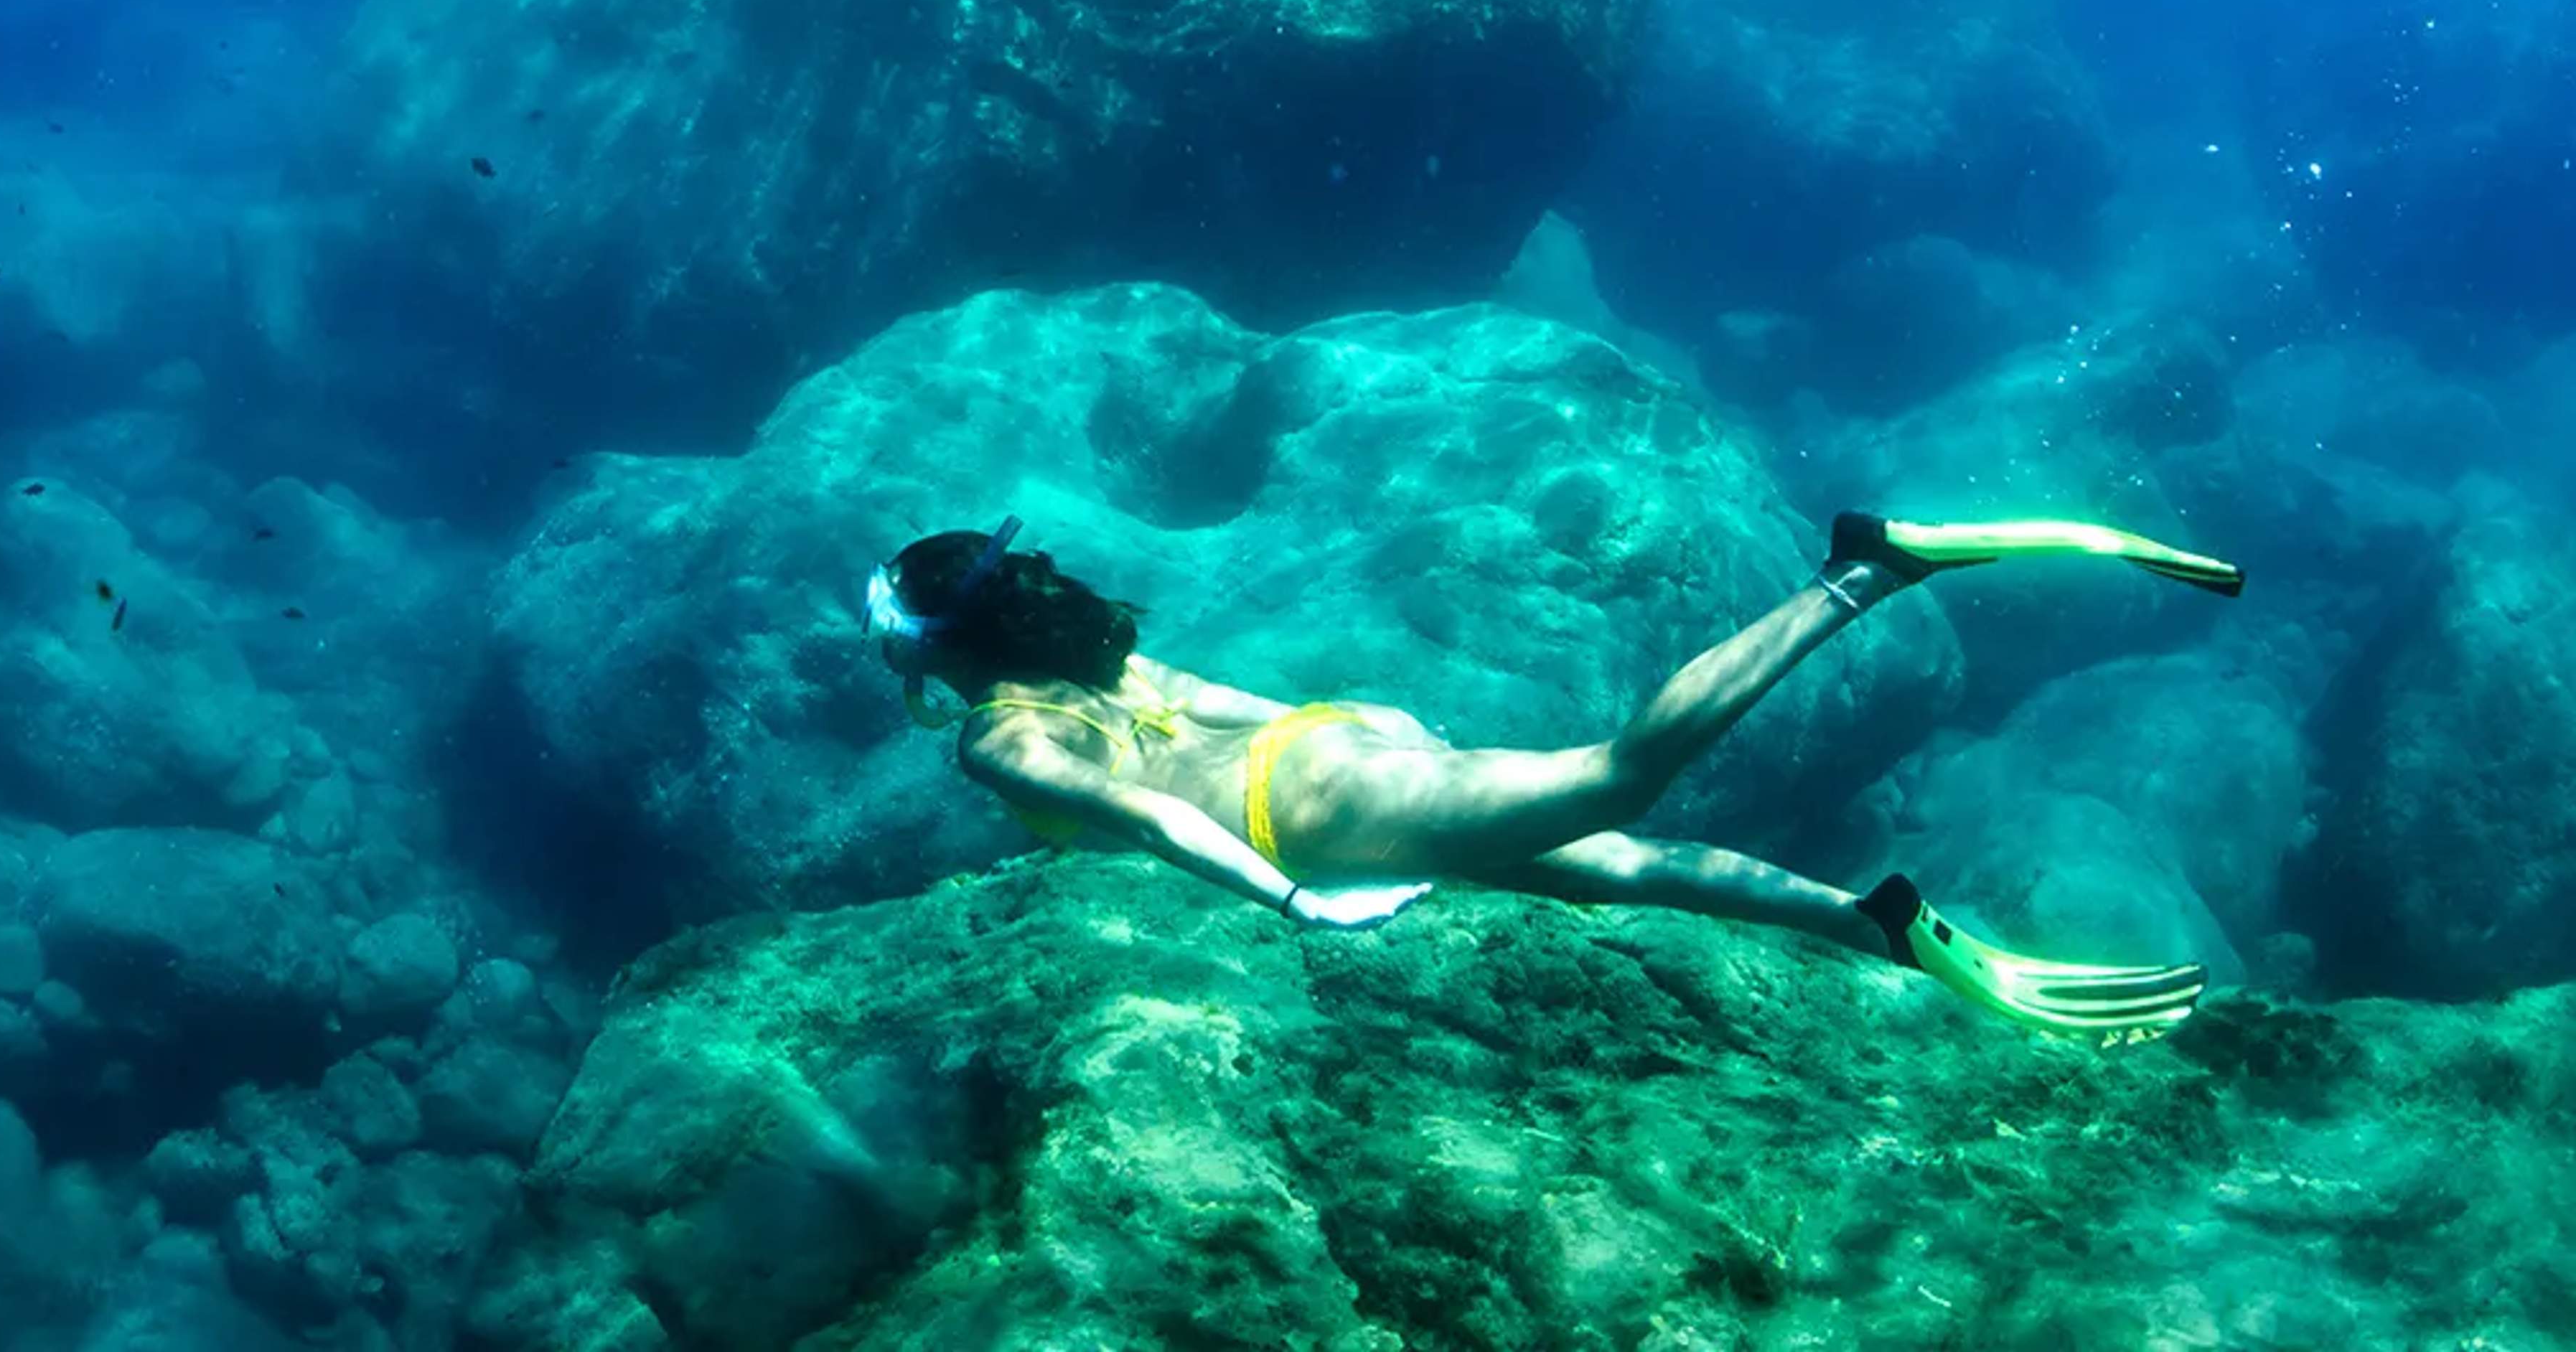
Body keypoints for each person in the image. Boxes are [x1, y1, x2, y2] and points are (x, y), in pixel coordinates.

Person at [863, 513, 2241, 1038]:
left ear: (936, 652)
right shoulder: (1102, 670)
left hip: (1323, 812)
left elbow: (1156, 816)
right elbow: (1259, 709)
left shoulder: (1001, 736)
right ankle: (1885, 925)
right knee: (1630, 876)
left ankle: (1861, 572)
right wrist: (1400, 760)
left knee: (1622, 780)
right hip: (1342, 757)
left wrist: (1295, 902)